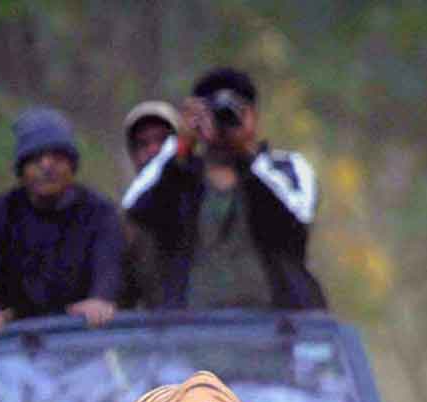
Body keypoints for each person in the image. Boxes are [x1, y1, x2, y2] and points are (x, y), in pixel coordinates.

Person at [121, 67, 326, 311]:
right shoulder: (180, 177)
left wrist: (248, 158)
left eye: (237, 111)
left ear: (254, 117)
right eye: (214, 113)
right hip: (193, 329)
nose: (225, 120)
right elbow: (133, 207)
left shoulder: (287, 167)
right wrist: (181, 144)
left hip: (277, 328)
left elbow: (298, 218)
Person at [0, 107, 123, 334]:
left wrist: (102, 299)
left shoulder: (100, 212)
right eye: (36, 159)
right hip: (13, 344)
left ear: (71, 165)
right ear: (22, 168)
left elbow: (109, 268)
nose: (47, 166)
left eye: (57, 157)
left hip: (84, 342)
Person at [118, 100, 180, 309]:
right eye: (142, 144)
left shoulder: (208, 203)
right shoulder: (125, 225)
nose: (154, 150)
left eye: (163, 140)